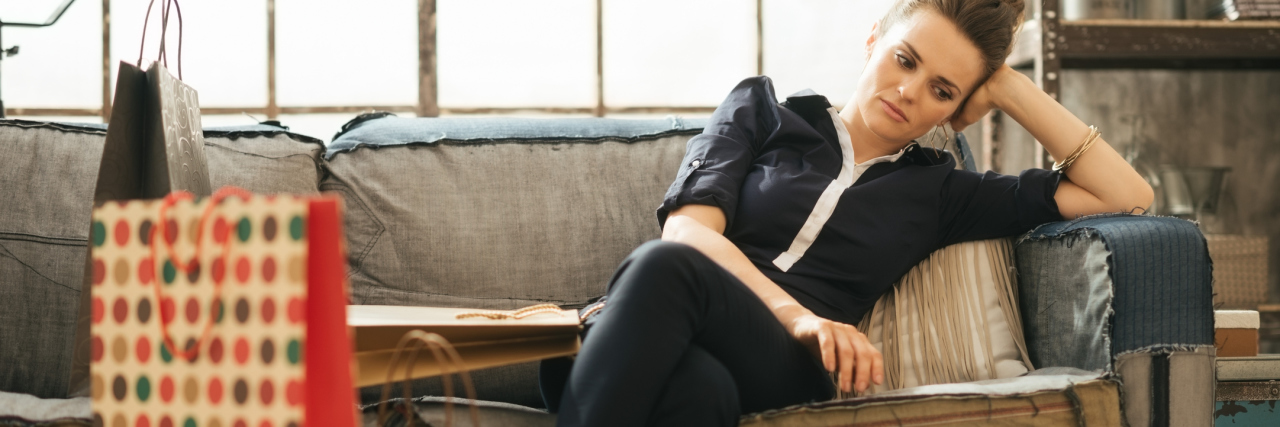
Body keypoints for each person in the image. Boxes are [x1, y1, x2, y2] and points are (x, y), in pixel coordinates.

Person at [539, 0, 1154, 425]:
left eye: (943, 90)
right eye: (905, 60)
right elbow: (689, 230)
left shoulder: (945, 194)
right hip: (651, 332)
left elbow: (1125, 194)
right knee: (698, 389)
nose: (910, 92)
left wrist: (1009, 87)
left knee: (660, 269)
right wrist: (802, 316)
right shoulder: (763, 111)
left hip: (787, 366)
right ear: (872, 42)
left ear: (957, 108)